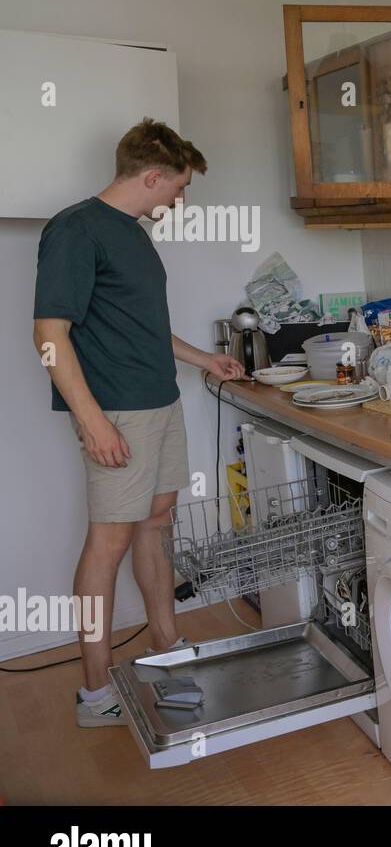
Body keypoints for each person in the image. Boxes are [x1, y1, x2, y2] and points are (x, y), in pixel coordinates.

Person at [32, 118, 244, 727]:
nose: (179, 200)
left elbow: (141, 325)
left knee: (157, 521)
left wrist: (205, 360)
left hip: (160, 402)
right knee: (109, 544)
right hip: (118, 411)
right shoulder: (76, 230)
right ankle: (96, 695)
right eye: (177, 188)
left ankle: (165, 647)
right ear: (151, 177)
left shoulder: (132, 232)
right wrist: (92, 420)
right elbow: (49, 336)